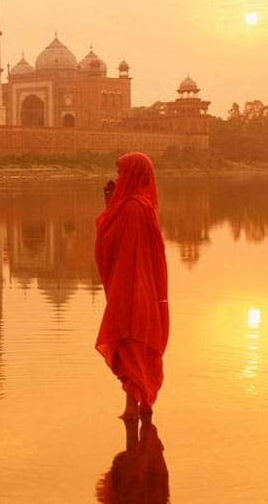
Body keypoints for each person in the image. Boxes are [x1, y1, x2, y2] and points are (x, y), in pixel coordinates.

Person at [94, 152, 169, 420]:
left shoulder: (134, 209)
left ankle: (132, 407)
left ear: (134, 175)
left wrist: (111, 210)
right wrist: (110, 207)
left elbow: (113, 245)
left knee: (130, 341)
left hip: (132, 292)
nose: (118, 178)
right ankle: (143, 404)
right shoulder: (142, 207)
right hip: (143, 291)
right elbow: (116, 243)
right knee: (138, 343)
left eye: (121, 172)